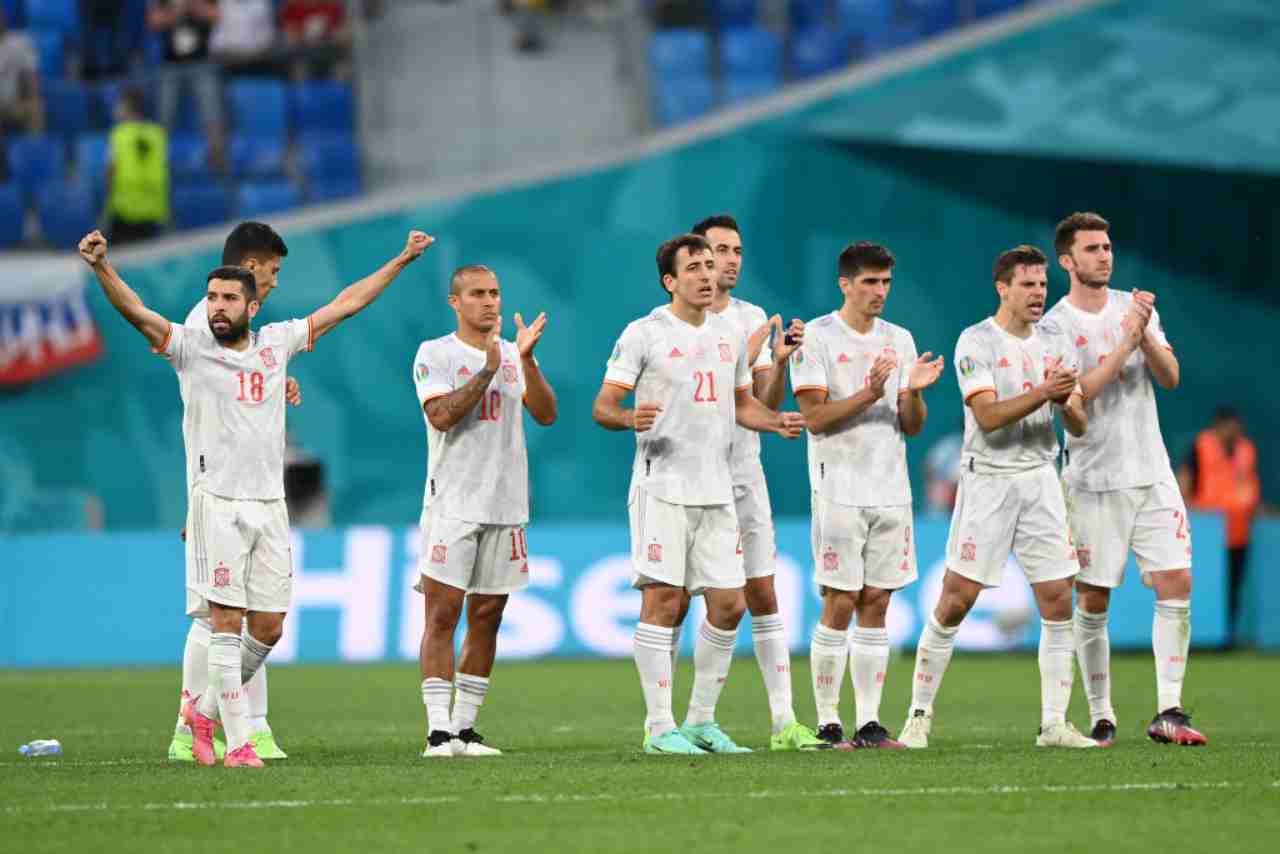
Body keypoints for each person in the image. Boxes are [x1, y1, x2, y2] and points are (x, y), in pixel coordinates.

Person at [79, 225, 433, 768]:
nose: (217, 307)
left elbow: (346, 304)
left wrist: (401, 260)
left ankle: (201, 713)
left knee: (267, 627)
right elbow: (137, 313)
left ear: (251, 305)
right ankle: (240, 741)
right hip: (218, 501)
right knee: (222, 620)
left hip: (269, 504)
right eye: (212, 298)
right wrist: (103, 266)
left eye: (228, 299)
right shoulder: (192, 344)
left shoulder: (275, 342)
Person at [592, 233, 805, 755]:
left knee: (730, 604)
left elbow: (742, 404)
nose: (708, 274)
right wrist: (627, 417)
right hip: (662, 487)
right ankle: (658, 727)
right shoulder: (644, 333)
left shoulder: (730, 335)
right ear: (670, 281)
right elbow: (603, 405)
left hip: (717, 489)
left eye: (711, 265)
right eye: (695, 267)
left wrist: (775, 420)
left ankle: (700, 721)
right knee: (663, 601)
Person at [899, 245, 1095, 750]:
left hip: (1041, 477)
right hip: (988, 479)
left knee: (1058, 597)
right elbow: (986, 417)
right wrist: (1045, 393)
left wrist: (1066, 402)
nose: (1038, 294)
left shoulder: (1056, 340)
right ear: (1002, 288)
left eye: (1043, 285)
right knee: (956, 599)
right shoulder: (976, 341)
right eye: (1027, 284)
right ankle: (918, 717)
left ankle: (1054, 724)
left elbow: (1077, 422)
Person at [1040, 212, 1206, 747]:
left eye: (1108, 247)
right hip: (1093, 477)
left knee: (1176, 580)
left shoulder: (1134, 310)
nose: (1104, 256)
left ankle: (1169, 710)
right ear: (1067, 261)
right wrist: (1126, 344)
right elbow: (1076, 394)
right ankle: (1102, 713)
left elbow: (1171, 378)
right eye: (1092, 249)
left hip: (1151, 470)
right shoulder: (1054, 326)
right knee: (1094, 597)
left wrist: (1145, 336)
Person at [790, 241, 945, 749]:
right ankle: (828, 720)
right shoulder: (815, 337)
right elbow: (814, 417)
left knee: (877, 601)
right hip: (838, 488)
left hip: (891, 490)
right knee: (840, 601)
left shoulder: (899, 339)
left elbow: (912, 425)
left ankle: (870, 722)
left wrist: (913, 391)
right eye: (870, 282)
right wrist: (869, 392)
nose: (880, 292)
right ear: (845, 284)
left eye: (886, 282)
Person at [684, 214, 824, 751]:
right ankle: (669, 722)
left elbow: (759, 404)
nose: (730, 260)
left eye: (737, 250)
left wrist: (779, 363)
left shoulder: (752, 318)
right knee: (675, 601)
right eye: (720, 250)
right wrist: (743, 355)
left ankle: (784, 721)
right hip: (691, 477)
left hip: (744, 472)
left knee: (762, 592)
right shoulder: (676, 325)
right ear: (697, 258)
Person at [412, 265, 557, 758]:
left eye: (495, 292)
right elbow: (441, 416)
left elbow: (546, 413)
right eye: (477, 294)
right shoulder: (436, 353)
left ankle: (465, 729)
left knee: (489, 616)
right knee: (443, 614)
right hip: (453, 504)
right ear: (455, 302)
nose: (490, 301)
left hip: (506, 504)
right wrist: (488, 369)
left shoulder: (515, 354)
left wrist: (527, 360)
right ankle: (437, 731)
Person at [168, 221, 298, 763]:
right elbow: (205, 410)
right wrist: (196, 499)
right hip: (218, 488)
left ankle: (222, 723)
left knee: (240, 616)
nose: (275, 281)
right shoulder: (206, 323)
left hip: (240, 486)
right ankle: (201, 730)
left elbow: (239, 389)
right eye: (272, 270)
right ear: (249, 267)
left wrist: (277, 381)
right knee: (218, 617)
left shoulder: (242, 327)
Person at [1178, 407, 1261, 640]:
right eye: (1228, 427)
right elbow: (1185, 478)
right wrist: (1185, 510)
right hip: (1207, 531)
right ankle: (1201, 634)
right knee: (1206, 584)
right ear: (1218, 426)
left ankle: (1227, 635)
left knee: (1233, 585)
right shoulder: (1200, 446)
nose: (1233, 432)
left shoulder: (1246, 449)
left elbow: (1251, 483)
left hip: (1238, 530)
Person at [147, 0, 225, 167]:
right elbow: (154, 22)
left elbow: (217, 16)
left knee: (212, 109)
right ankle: (157, 158)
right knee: (164, 112)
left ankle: (217, 157)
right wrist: (176, 12)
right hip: (171, 65)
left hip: (202, 62)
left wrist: (192, 5)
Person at [104, 88, 169, 245]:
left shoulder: (119, 134)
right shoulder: (158, 134)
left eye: (119, 105)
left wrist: (107, 206)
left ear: (127, 107)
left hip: (124, 211)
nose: (116, 109)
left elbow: (111, 171)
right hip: (153, 211)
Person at [0, 10, 43, 134]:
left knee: (35, 108)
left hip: (16, 102)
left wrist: (33, 99)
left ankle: (34, 144)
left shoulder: (20, 42)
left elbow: (31, 77)